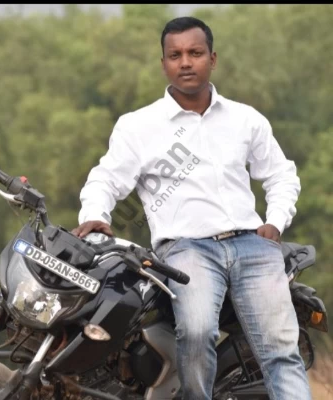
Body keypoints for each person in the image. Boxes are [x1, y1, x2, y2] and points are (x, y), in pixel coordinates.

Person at [72, 16, 311, 400]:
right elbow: (105, 180)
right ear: (164, 63)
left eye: (195, 53)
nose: (186, 62)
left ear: (212, 59)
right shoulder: (138, 126)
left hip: (252, 244)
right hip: (186, 250)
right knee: (197, 333)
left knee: (281, 348)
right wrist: (95, 217)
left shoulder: (245, 119)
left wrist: (275, 222)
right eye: (176, 55)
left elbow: (282, 175)